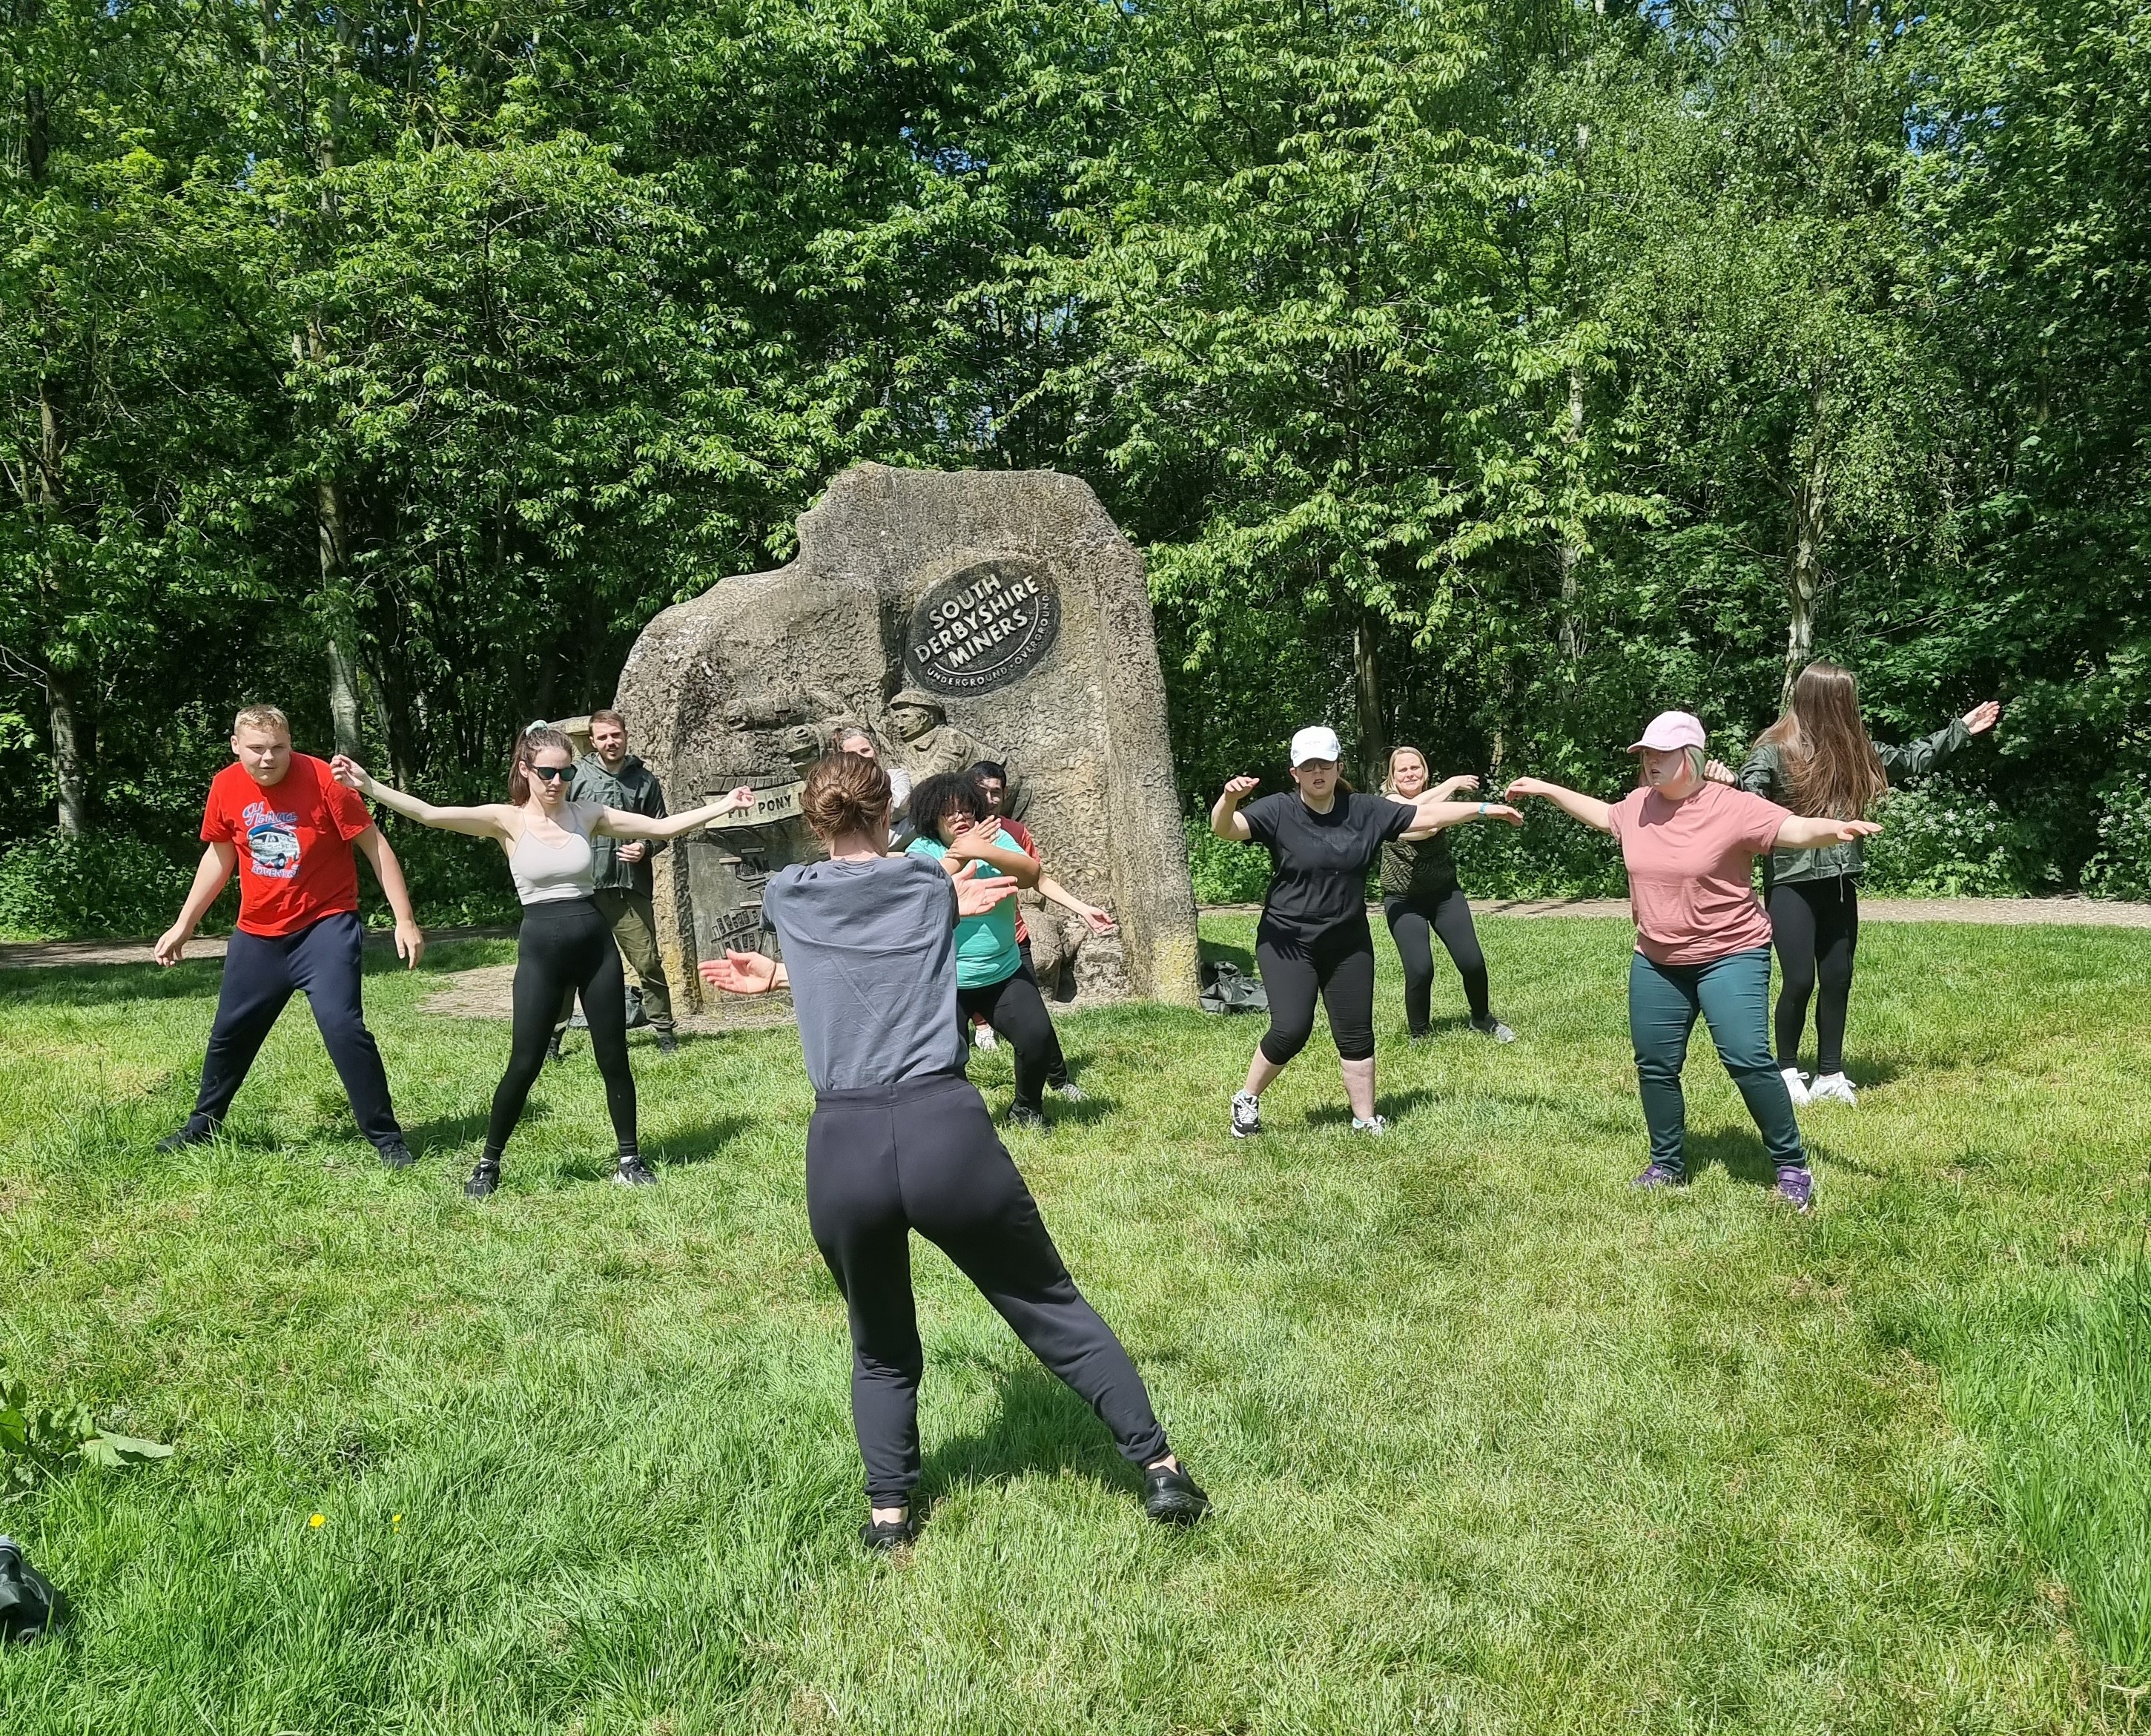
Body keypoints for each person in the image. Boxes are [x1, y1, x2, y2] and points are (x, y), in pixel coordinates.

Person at [697, 750, 1209, 1549]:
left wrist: (778, 974)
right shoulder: (924, 882)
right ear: (889, 815)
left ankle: (889, 1519)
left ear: (811, 821)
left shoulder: (788, 893)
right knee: (1047, 1303)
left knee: (881, 1345)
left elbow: (852, 944)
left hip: (845, 1143)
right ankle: (1161, 1469)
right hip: (945, 1128)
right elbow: (950, 888)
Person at [329, 726, 751, 1198]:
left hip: (595, 948)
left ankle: (630, 1159)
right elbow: (429, 815)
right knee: (524, 1062)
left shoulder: (586, 815)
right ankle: (489, 1164)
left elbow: (658, 827)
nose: (556, 781)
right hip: (540, 953)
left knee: (613, 1056)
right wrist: (368, 786)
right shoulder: (506, 821)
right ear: (526, 771)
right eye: (547, 772)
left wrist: (725, 805)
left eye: (565, 772)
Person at [1504, 710, 1883, 1212]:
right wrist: (1546, 789)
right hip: (1656, 958)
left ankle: (1791, 1164)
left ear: (1691, 758)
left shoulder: (1732, 806)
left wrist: (1834, 830)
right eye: (1645, 754)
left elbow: (1789, 828)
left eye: (1660, 754)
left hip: (1730, 953)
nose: (1649, 763)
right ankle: (1667, 1163)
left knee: (1746, 1059)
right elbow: (1601, 814)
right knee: (1655, 1065)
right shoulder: (1639, 805)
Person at [1211, 725, 1524, 1138]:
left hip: (1347, 941)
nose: (1317, 772)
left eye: (1325, 763)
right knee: (1292, 1029)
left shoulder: (1363, 810)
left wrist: (1484, 810)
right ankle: (1248, 1097)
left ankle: (1364, 1118)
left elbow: (1424, 815)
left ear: (1338, 765)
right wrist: (1230, 797)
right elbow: (1226, 828)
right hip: (1287, 941)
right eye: (1308, 766)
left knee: (1357, 1031)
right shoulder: (1278, 810)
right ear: (1295, 773)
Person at [153, 705, 426, 1168]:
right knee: (229, 1033)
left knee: (343, 1028)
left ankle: (386, 1139)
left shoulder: (323, 779)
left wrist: (405, 919)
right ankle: (203, 1125)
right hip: (258, 934)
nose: (268, 758)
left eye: (278, 747)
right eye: (256, 749)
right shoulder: (225, 785)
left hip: (326, 926)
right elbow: (221, 857)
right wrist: (185, 924)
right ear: (236, 745)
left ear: (290, 742)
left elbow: (374, 845)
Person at [1731, 663, 2001, 1108]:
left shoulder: (1854, 750)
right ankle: (1786, 1071)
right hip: (1792, 884)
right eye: (1846, 699)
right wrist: (1732, 786)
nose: (1852, 707)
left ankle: (1831, 1074)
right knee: (1798, 980)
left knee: (1837, 977)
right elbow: (1750, 802)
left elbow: (1911, 759)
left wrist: (1961, 729)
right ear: (1827, 702)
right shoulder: (1774, 750)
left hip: (1839, 882)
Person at [902, 771, 1070, 1129]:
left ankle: (1027, 1110)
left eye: (965, 809)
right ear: (932, 817)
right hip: (947, 979)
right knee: (947, 1057)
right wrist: (960, 855)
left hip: (1003, 972)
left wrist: (984, 850)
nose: (960, 817)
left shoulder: (996, 838)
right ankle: (956, 1120)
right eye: (949, 812)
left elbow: (1031, 875)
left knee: (1036, 1038)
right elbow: (920, 893)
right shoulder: (922, 851)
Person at [548, 708, 683, 1062]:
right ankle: (552, 1039)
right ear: (592, 742)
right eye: (603, 737)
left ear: (625, 736)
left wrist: (646, 847)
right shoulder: (576, 778)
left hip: (628, 889)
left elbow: (662, 830)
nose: (611, 742)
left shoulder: (645, 781)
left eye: (616, 735)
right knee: (569, 969)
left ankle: (664, 1031)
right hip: (582, 889)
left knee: (648, 962)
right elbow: (553, 821)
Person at [967, 760, 1114, 1081]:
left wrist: (1083, 908)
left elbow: (1039, 880)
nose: (990, 799)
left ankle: (1059, 1080)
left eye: (996, 792)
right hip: (959, 950)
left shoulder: (1014, 832)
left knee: (1035, 1023)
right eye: (982, 792)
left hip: (1011, 942)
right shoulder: (950, 832)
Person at [1379, 747, 1514, 1044]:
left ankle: (1481, 1019)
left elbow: (1429, 815)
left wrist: (1445, 794)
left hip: (1444, 895)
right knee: (1420, 969)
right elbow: (1417, 824)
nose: (1410, 774)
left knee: (1472, 962)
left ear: (1425, 772)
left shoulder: (1437, 799)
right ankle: (1419, 1033)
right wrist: (1452, 784)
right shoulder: (1386, 804)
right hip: (1403, 901)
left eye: (1415, 768)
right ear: (1392, 777)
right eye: (1402, 770)